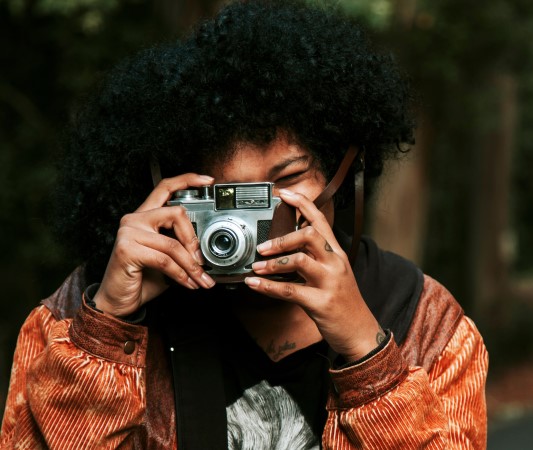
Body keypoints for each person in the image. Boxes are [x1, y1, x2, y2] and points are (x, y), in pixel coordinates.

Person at [0, 1, 488, 448]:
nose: (251, 216)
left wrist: (367, 354)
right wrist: (106, 328)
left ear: (344, 174)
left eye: (288, 178)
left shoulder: (427, 323)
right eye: (221, 192)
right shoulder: (73, 318)